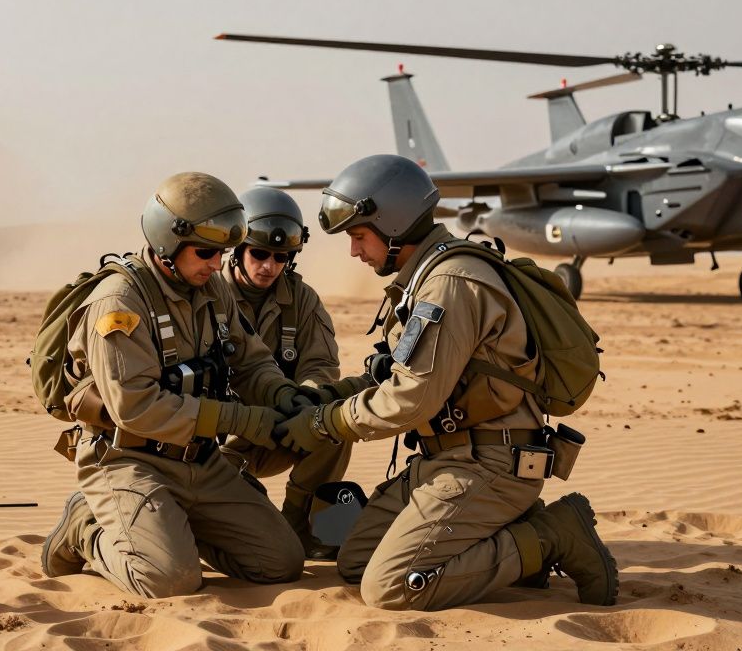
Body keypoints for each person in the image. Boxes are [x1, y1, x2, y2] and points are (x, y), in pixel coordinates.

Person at [275, 154, 618, 611]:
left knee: (391, 587)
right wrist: (330, 397)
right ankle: (507, 542)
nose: (355, 252)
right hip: (449, 459)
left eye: (359, 236)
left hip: (490, 463)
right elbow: (395, 376)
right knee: (357, 560)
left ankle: (552, 536)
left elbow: (410, 399)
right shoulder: (427, 277)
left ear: (394, 225)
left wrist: (324, 423)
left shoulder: (450, 283)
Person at [41, 171, 317, 598]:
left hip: (200, 460)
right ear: (168, 243)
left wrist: (283, 395)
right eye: (205, 252)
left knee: (280, 563)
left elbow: (250, 361)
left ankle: (168, 527)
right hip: (129, 460)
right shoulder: (120, 301)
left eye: (222, 253)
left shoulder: (212, 290)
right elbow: (136, 406)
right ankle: (86, 529)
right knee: (169, 580)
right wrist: (242, 420)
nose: (216, 264)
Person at [218, 186, 355, 557]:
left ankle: (303, 522)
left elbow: (320, 365)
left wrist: (304, 404)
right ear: (237, 250)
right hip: (222, 438)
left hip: (283, 427)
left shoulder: (302, 299)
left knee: (334, 424)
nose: (269, 266)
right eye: (259, 254)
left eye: (281, 257)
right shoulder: (209, 296)